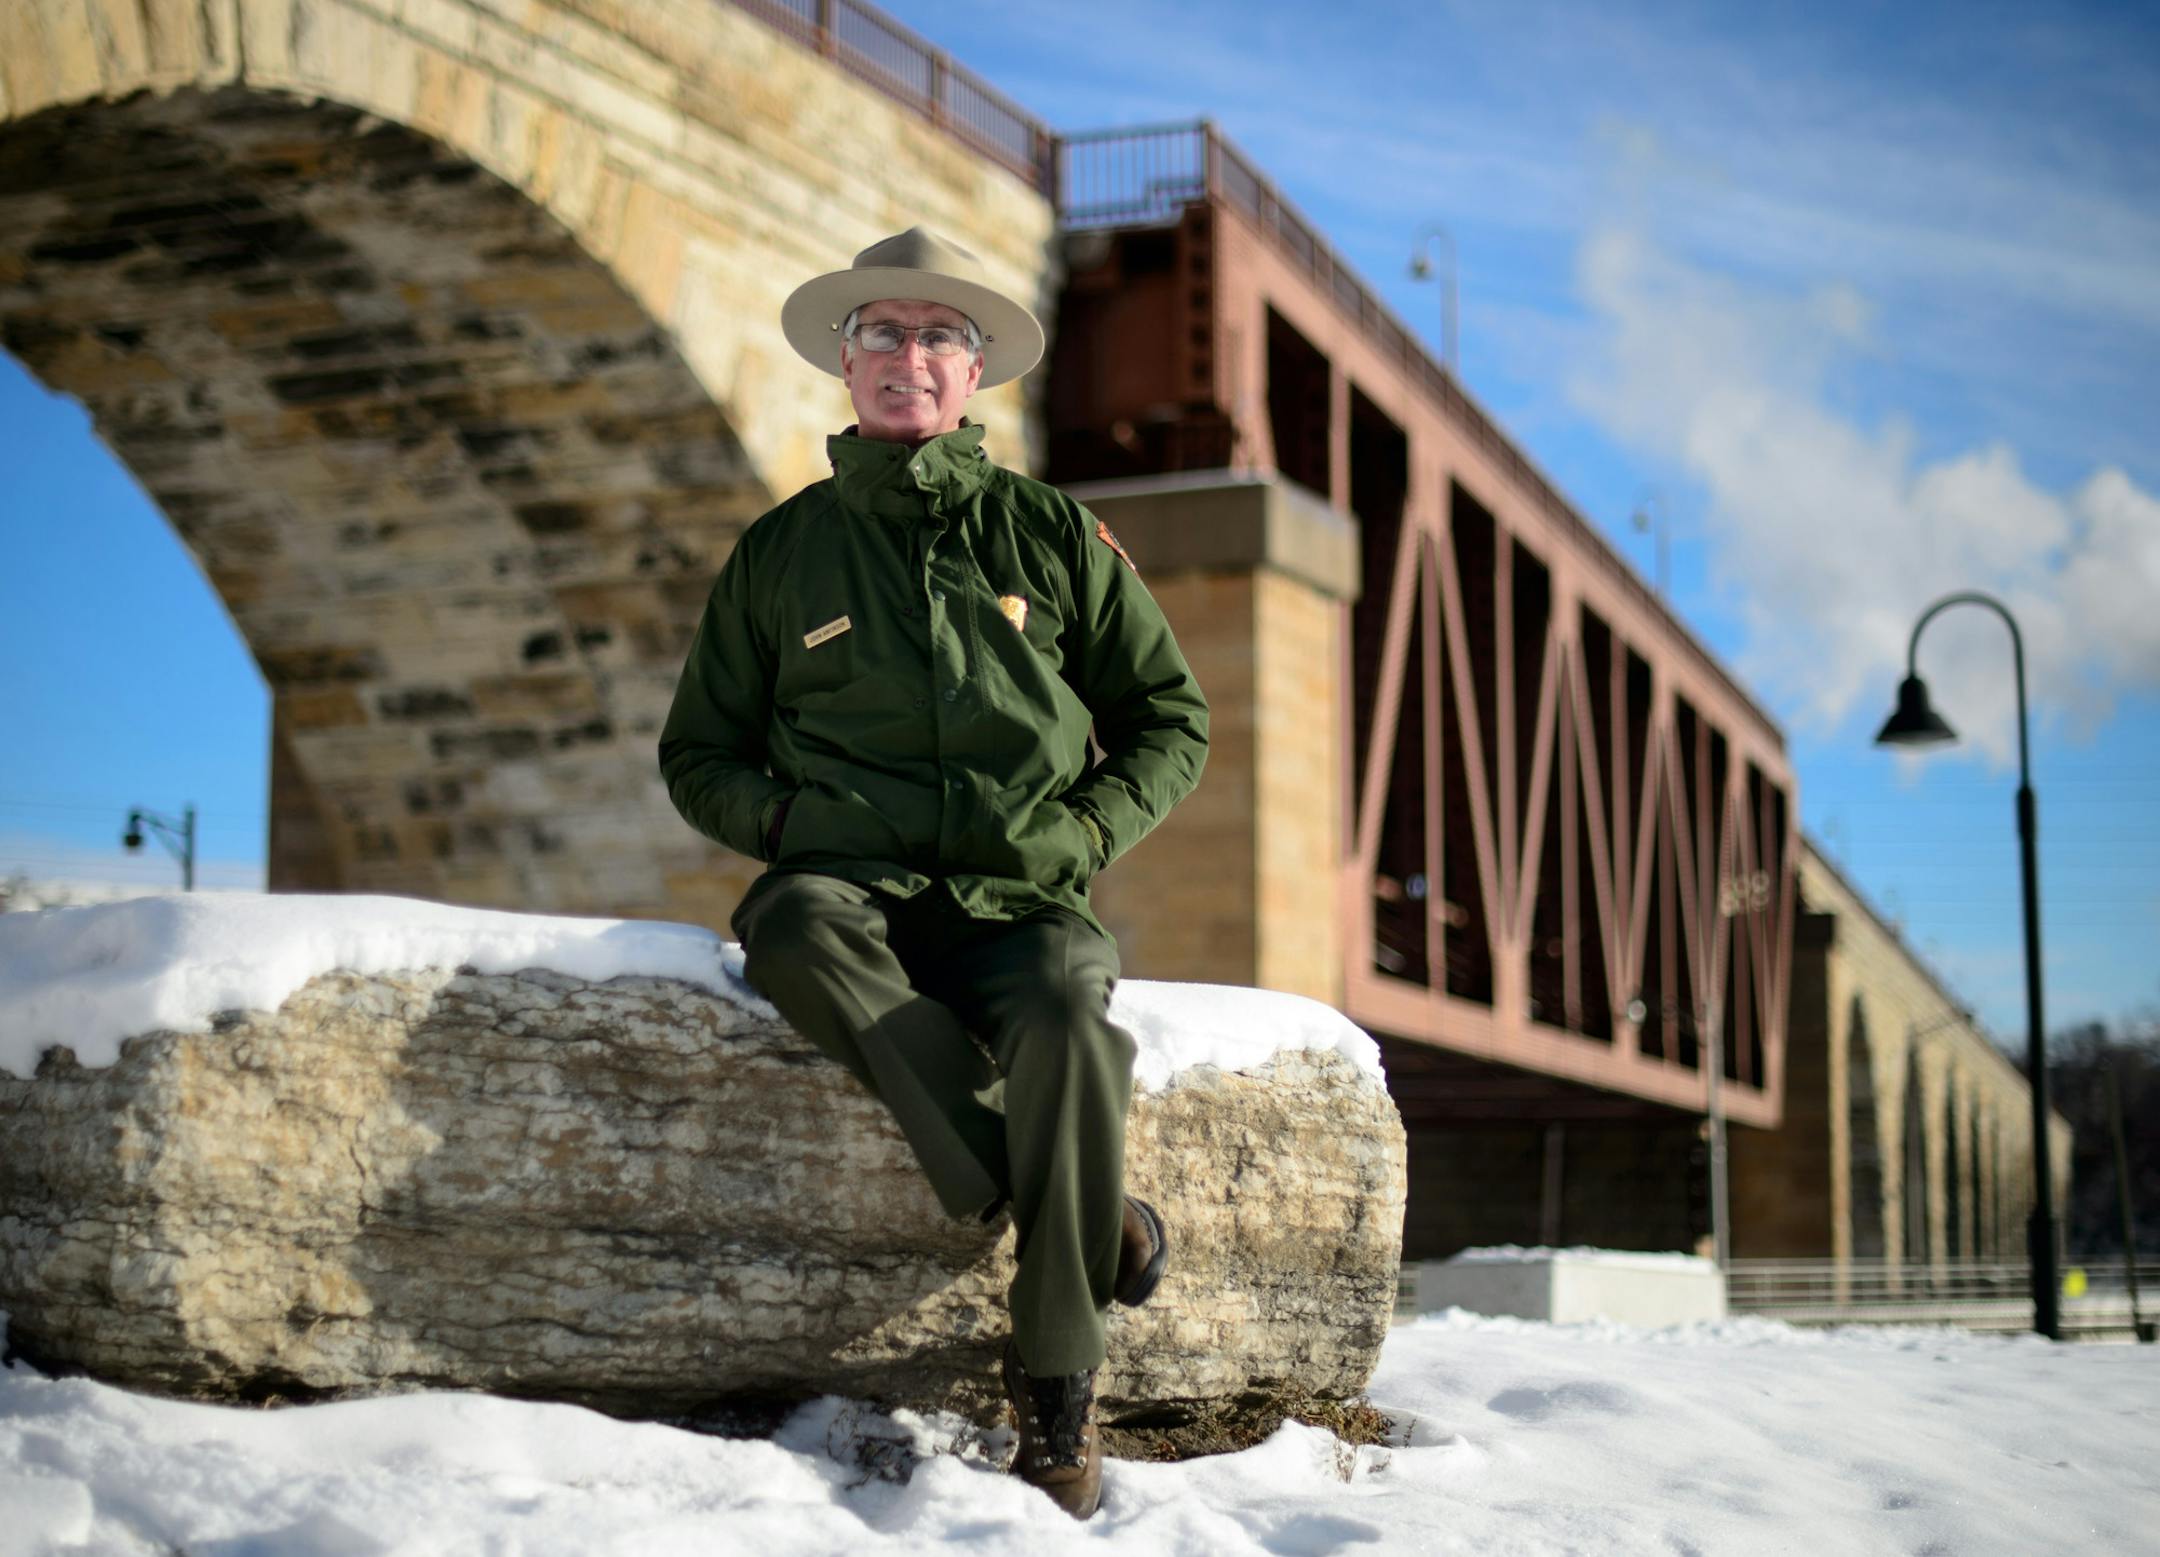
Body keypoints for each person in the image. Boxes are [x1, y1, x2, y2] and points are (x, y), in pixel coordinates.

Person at [657, 227, 1209, 1519]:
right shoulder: (778, 556)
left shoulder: (1056, 538)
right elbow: (698, 752)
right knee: (788, 927)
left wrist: (1082, 834)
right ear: (847, 364)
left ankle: (1061, 1409)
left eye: (939, 337)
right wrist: (786, 823)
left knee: (1072, 1019)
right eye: (885, 335)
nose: (911, 357)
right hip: (850, 891)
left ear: (975, 376)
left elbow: (1169, 722)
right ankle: (1070, 1191)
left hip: (1027, 902)